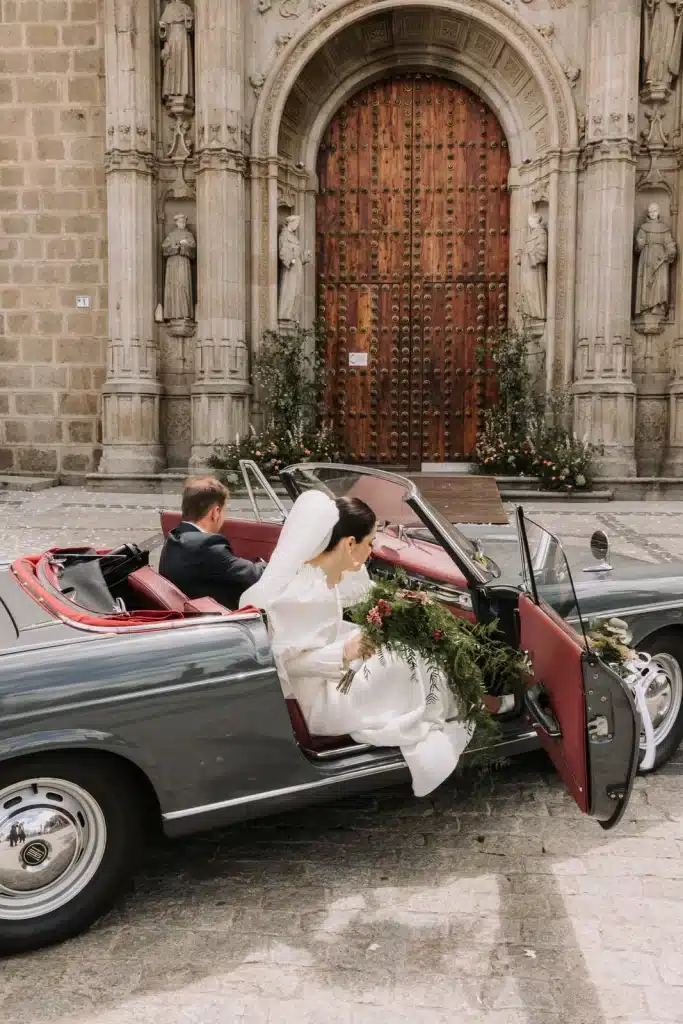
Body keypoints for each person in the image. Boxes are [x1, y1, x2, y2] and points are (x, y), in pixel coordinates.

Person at [240, 490, 509, 798]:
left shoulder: (319, 573)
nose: (372, 551)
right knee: (416, 660)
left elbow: (335, 617)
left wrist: (394, 611)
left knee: (409, 652)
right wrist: (346, 650)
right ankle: (477, 707)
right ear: (349, 543)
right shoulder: (305, 593)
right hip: (321, 702)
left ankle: (471, 704)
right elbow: (284, 661)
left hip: (330, 681)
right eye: (369, 542)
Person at [159, 476, 266, 610]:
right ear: (215, 512)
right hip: (219, 620)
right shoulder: (207, 545)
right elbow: (253, 576)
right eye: (224, 512)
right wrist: (267, 564)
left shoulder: (174, 537)